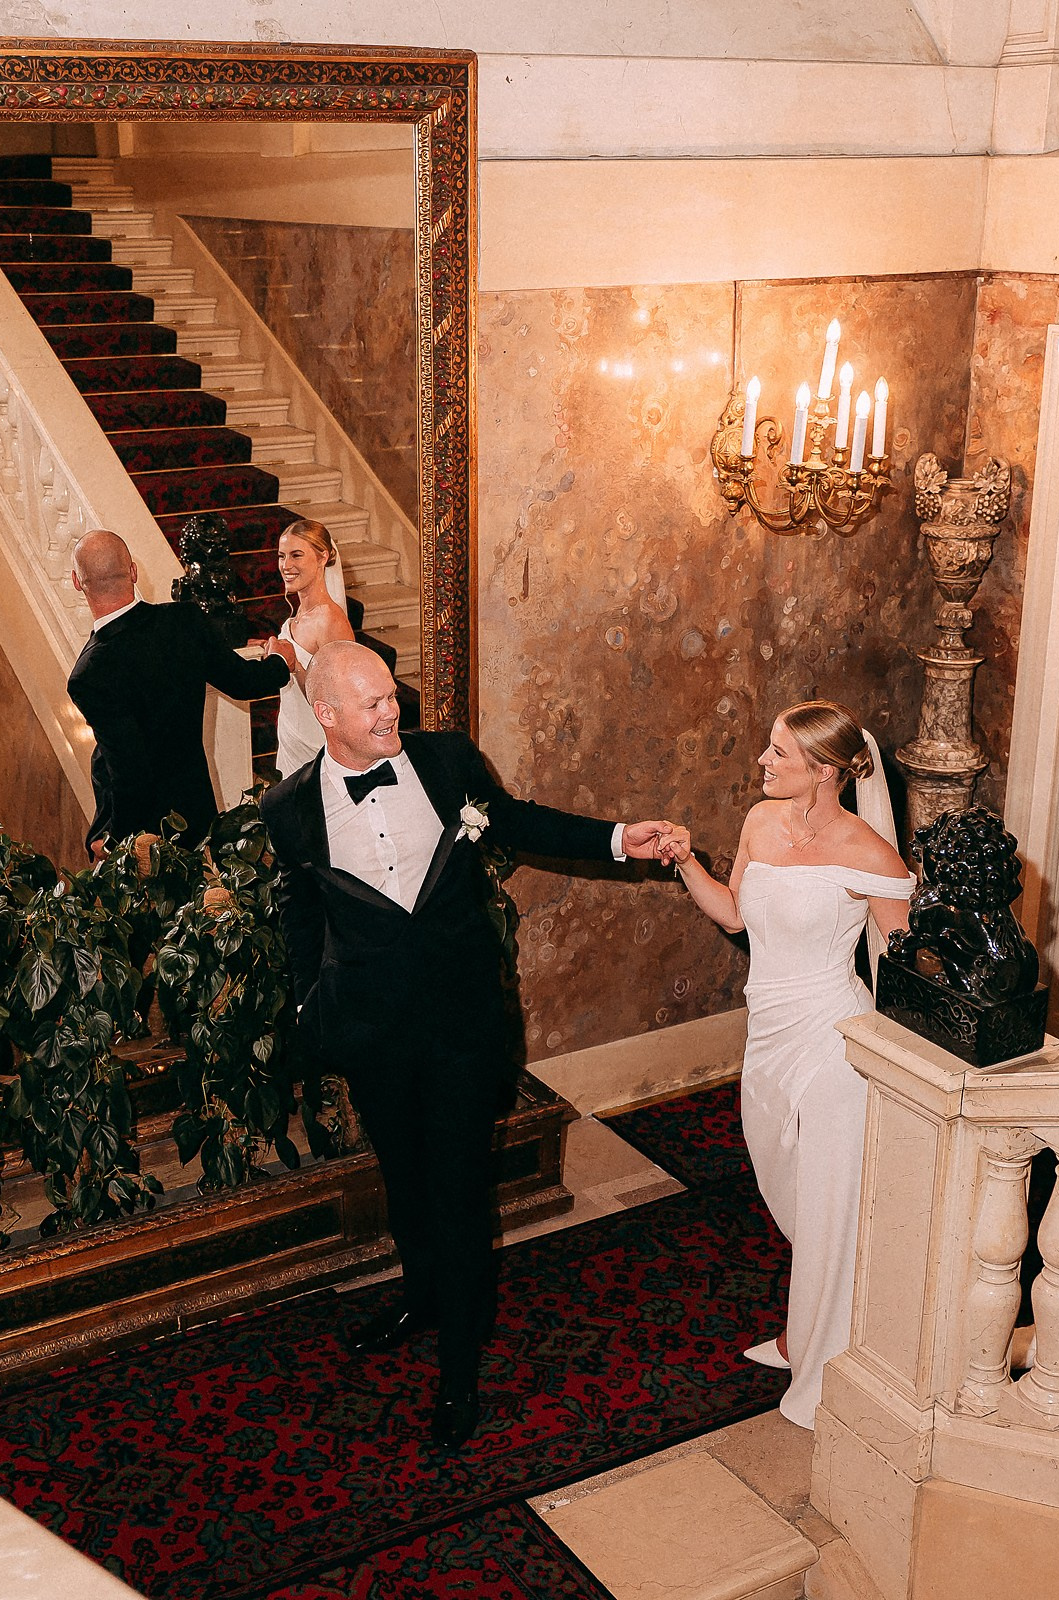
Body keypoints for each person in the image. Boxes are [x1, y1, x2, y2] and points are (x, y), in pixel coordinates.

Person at [260, 642, 673, 1451]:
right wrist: (311, 1005)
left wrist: (622, 837)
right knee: (404, 1179)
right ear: (328, 717)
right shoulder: (288, 809)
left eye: (392, 697)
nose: (394, 713)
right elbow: (301, 915)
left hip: (459, 1022)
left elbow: (519, 821)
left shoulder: (445, 761)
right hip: (373, 1031)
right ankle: (421, 1299)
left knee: (455, 1188)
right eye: (374, 704)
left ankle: (458, 1370)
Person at [656, 701, 914, 1427]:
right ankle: (820, 1322)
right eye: (769, 749)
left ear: (825, 771)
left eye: (779, 754)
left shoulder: (871, 854)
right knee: (784, 1181)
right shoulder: (759, 823)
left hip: (835, 1039)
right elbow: (737, 914)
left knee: (829, 1199)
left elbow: (901, 964)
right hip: (769, 1032)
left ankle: (822, 1354)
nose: (763, 763)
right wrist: (686, 866)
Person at [66, 529, 294, 851]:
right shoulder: (184, 620)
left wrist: (113, 840)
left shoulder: (88, 674)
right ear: (133, 570)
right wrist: (280, 662)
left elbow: (130, 774)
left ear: (77, 582)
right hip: (197, 815)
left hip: (145, 844)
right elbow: (243, 681)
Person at [269, 519, 353, 777]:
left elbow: (341, 701)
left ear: (322, 557)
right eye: (282, 556)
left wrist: (293, 666)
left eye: (296, 555)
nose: (286, 565)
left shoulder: (330, 618)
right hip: (290, 740)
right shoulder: (291, 621)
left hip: (317, 745)